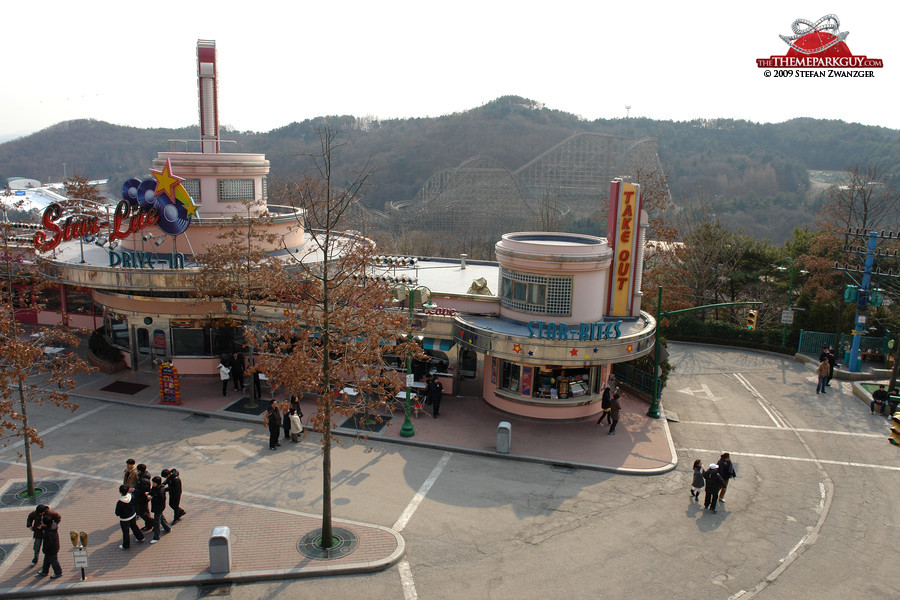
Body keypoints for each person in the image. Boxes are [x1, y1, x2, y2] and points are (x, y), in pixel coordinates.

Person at [115, 484, 145, 549]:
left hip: (124, 519)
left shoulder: (120, 502)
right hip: (132, 515)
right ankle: (140, 537)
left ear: (120, 492)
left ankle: (126, 545)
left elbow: (117, 512)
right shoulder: (131, 497)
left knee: (125, 532)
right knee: (134, 526)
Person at [37, 512, 62, 579]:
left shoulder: (49, 533)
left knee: (53, 560)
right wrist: (42, 528)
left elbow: (48, 543)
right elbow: (47, 527)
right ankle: (44, 571)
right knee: (46, 560)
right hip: (53, 547)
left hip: (51, 549)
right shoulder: (52, 527)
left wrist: (44, 550)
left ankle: (58, 572)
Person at [148, 476, 171, 543]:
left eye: (154, 482)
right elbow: (151, 491)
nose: (153, 484)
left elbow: (161, 499)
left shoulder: (161, 490)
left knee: (156, 521)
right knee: (161, 518)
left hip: (159, 507)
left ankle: (156, 537)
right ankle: (167, 528)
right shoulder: (155, 487)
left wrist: (152, 498)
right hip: (157, 507)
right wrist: (149, 494)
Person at [134, 463, 153, 531]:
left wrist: (135, 490)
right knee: (146, 511)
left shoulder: (143, 480)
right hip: (142, 498)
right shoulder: (143, 476)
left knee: (141, 512)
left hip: (142, 498)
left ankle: (153, 522)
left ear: (140, 470)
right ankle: (148, 525)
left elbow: (143, 490)